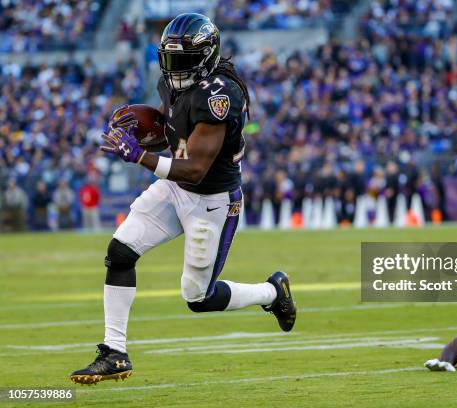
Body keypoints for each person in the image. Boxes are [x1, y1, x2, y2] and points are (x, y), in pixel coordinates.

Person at [70, 13, 296, 385]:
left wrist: (139, 156)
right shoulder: (173, 84)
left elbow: (195, 168)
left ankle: (272, 291)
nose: (175, 69)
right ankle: (114, 353)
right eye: (171, 59)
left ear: (207, 56)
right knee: (121, 251)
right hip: (176, 188)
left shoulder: (221, 94)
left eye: (185, 59)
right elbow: (172, 133)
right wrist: (141, 133)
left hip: (211, 199)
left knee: (198, 297)